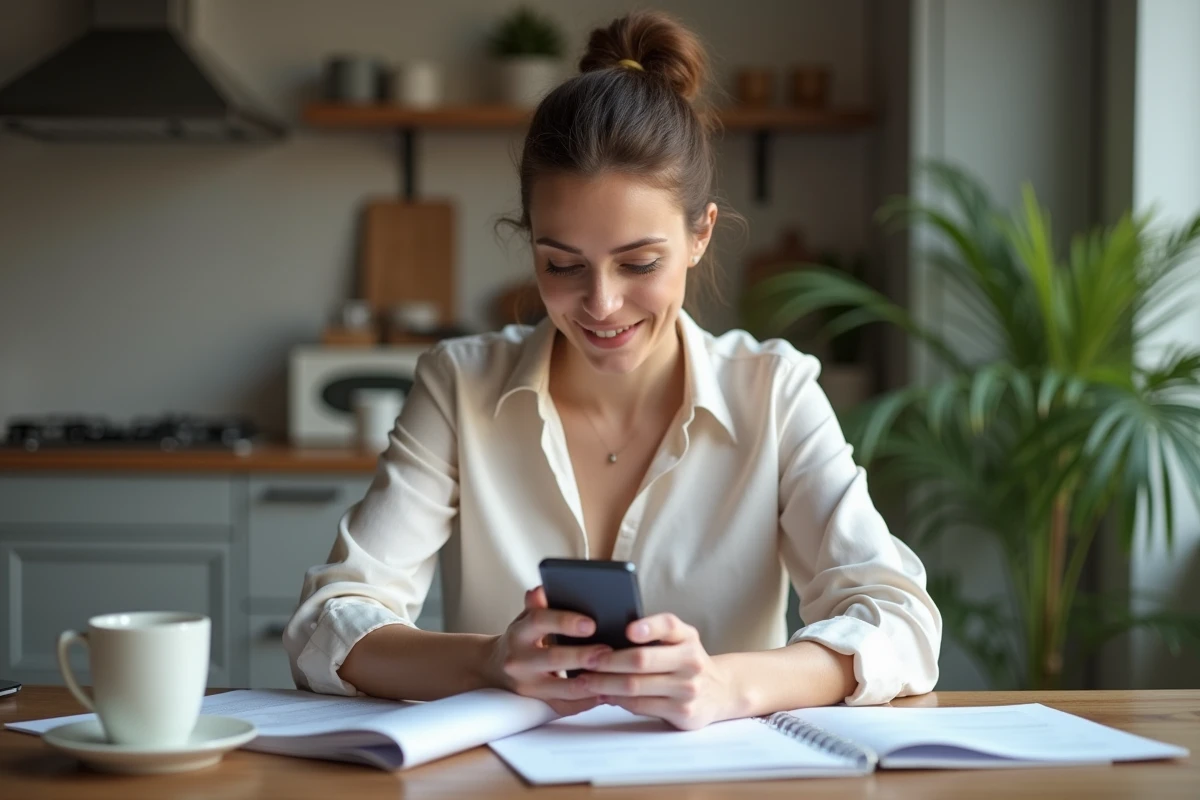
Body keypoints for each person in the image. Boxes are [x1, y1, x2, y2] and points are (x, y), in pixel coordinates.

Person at [284, 10, 940, 731]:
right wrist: (487, 662)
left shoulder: (774, 393)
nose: (600, 303)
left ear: (700, 234)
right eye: (561, 265)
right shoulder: (459, 386)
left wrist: (726, 685)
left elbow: (901, 622)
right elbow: (329, 624)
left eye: (639, 262)